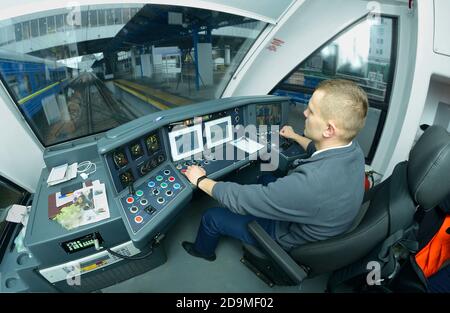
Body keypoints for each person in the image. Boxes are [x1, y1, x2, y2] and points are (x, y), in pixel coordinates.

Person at [182, 79, 368, 261]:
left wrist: (200, 180)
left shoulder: (312, 183)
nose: (304, 113)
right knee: (266, 177)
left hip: (285, 235)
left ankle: (202, 252)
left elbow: (241, 200)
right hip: (317, 219)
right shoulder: (352, 150)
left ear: (329, 129)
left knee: (212, 217)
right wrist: (295, 136)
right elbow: (316, 148)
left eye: (311, 111)